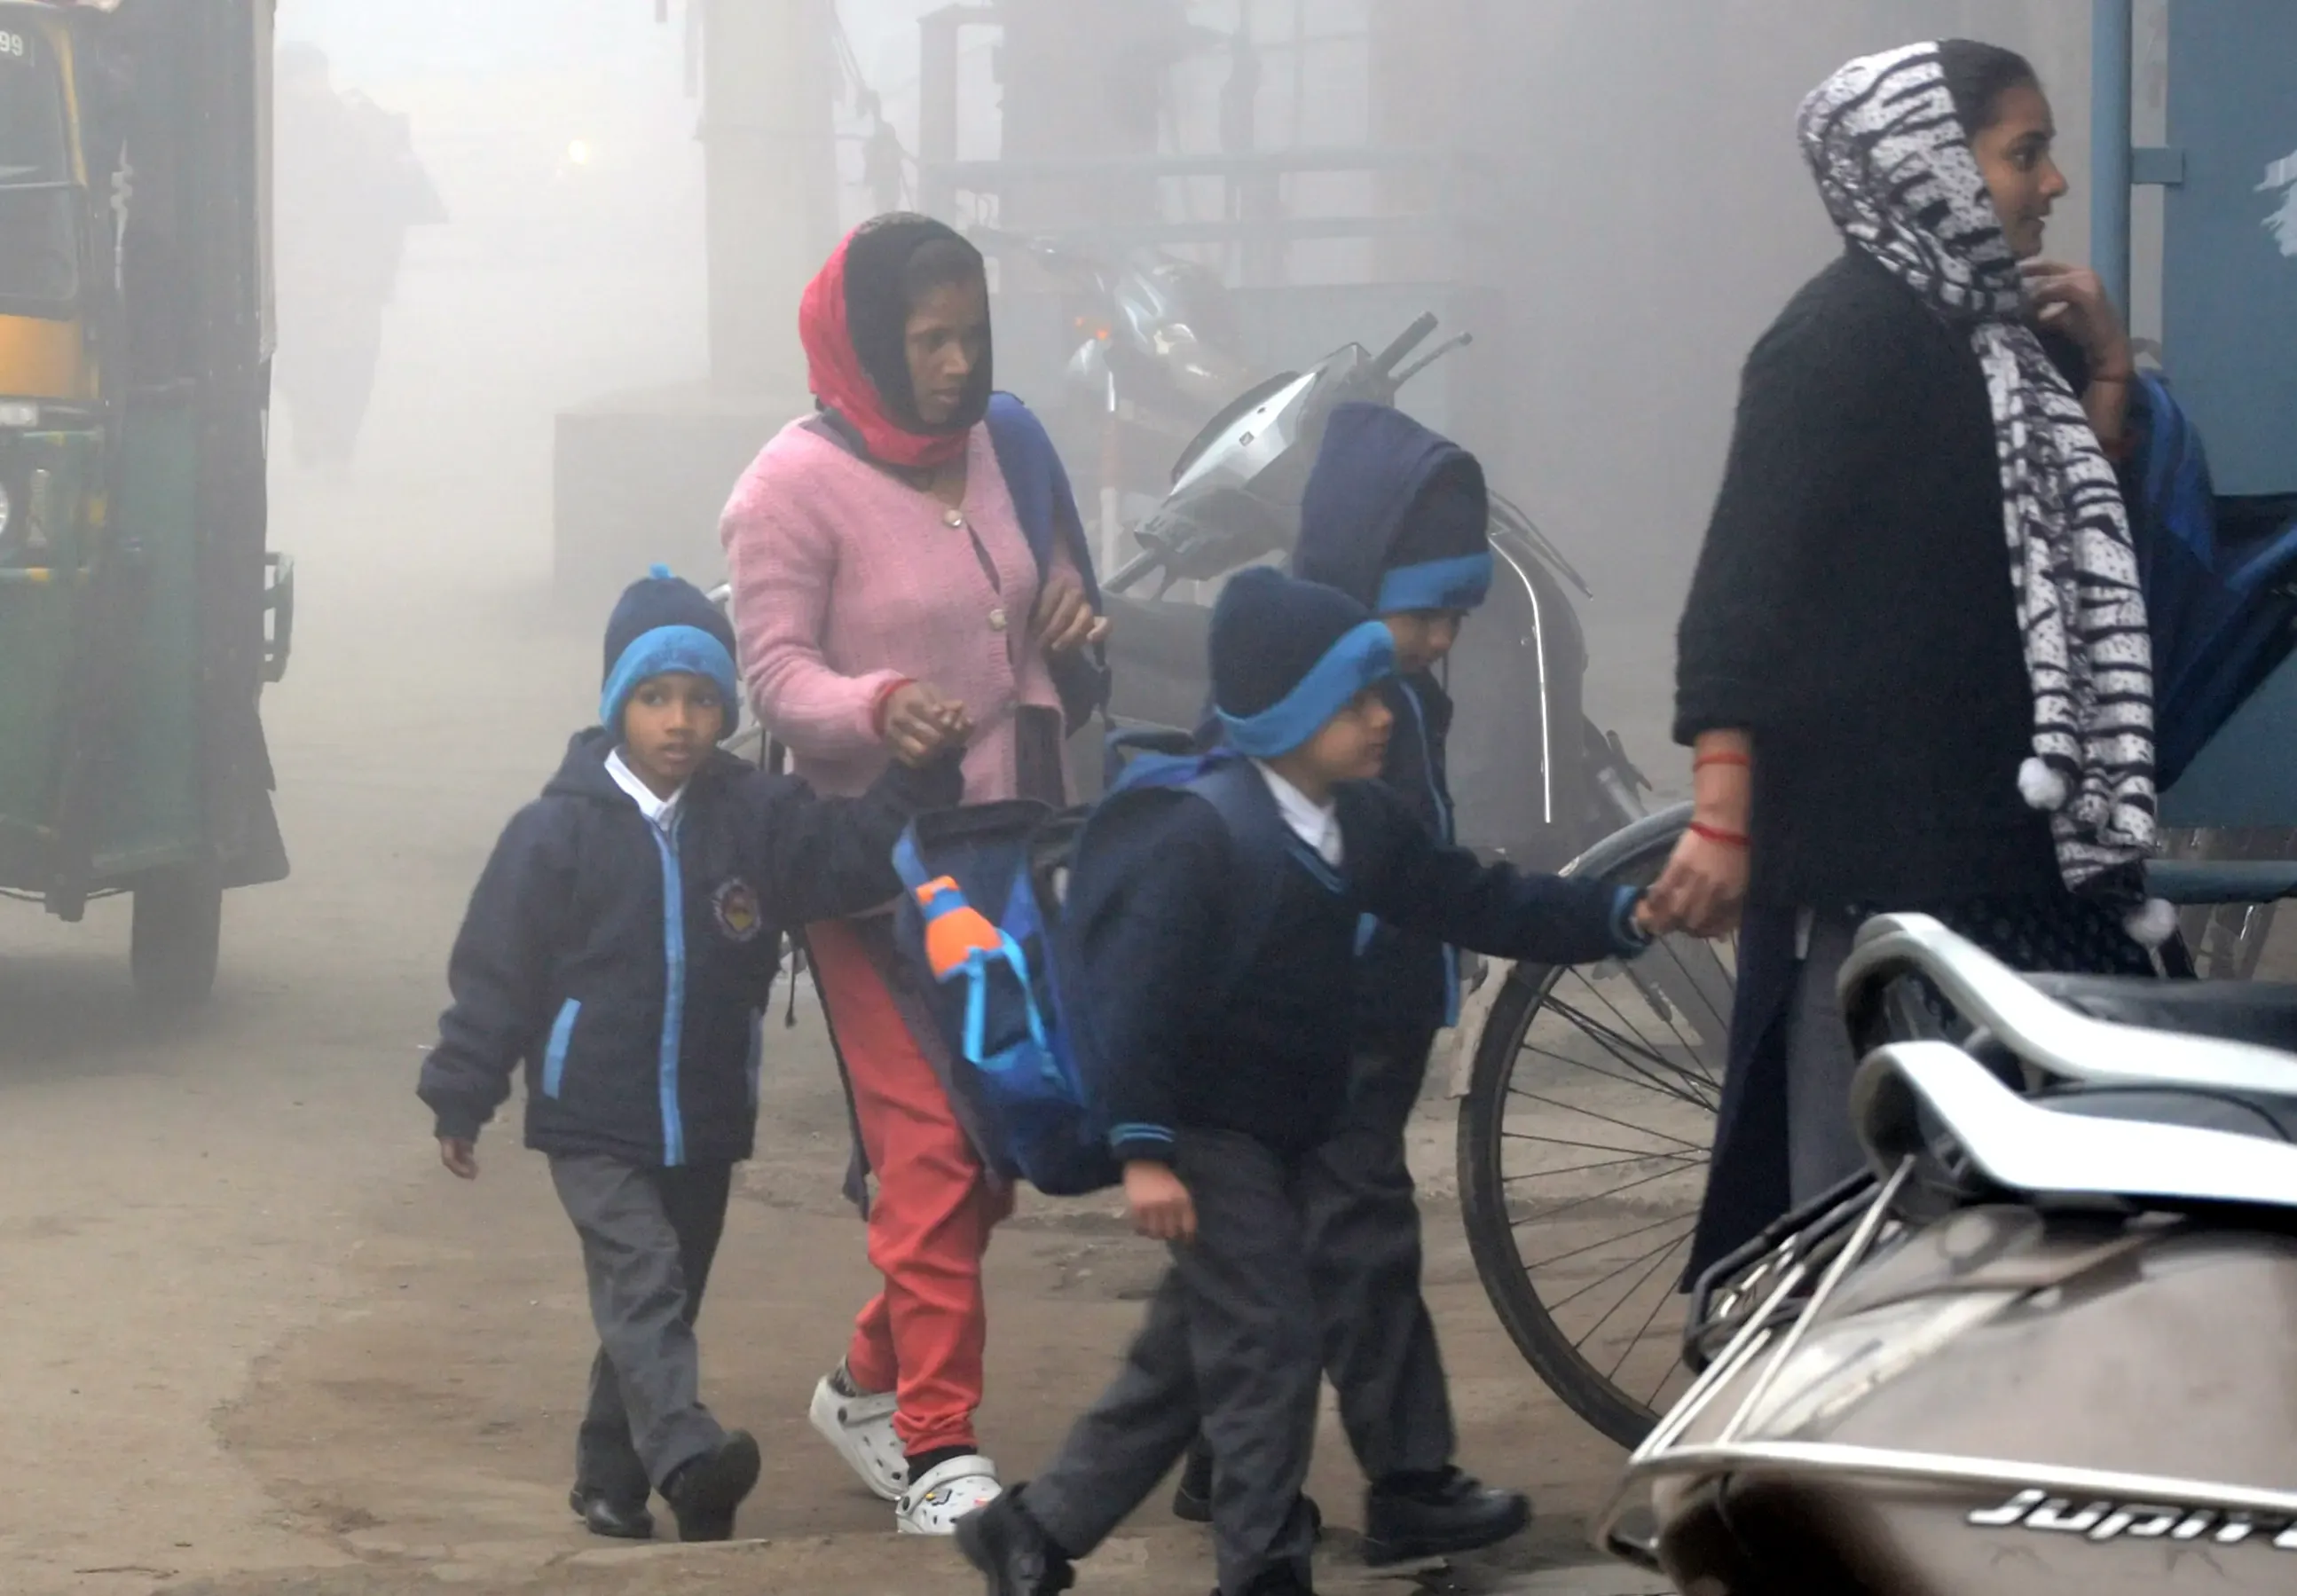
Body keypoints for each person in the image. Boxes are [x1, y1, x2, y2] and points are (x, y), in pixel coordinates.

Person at [956, 567, 1662, 1596]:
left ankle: (1032, 1526)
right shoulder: (1200, 835)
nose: (1386, 717)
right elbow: (1137, 1008)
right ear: (1288, 713)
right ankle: (1262, 1566)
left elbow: (1475, 898)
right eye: (1356, 701)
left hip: (1297, 1128)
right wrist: (1144, 1149)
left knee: (1189, 1355)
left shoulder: (1359, 822)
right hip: (1208, 1137)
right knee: (1269, 1344)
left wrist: (1617, 915)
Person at [1648, 40, 2161, 1277]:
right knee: (1881, 1216)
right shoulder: (1838, 340)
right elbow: (1742, 589)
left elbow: (2071, 558)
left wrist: (2104, 372)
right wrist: (1721, 811)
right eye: (2024, 155)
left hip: (2030, 859)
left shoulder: (2007, 344)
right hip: (1889, 866)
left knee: (2063, 1212)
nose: (2050, 185)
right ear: (1930, 166)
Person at [415, 568, 964, 1544]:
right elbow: (497, 970)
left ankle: (609, 1478)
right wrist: (463, 1089)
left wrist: (920, 772)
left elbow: (854, 856)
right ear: (616, 704)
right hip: (592, 1112)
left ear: (728, 709)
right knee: (644, 1280)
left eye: (703, 698)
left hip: (705, 1114)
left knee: (660, 1297)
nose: (679, 721)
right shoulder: (555, 831)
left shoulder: (758, 815)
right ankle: (689, 1460)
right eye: (655, 696)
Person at [718, 213, 1108, 1533]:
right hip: (874, 876)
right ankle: (940, 1447)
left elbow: (1045, 594)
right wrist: (879, 703)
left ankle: (866, 1382)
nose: (955, 366)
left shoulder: (1011, 443)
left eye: (972, 337)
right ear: (865, 343)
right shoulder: (785, 488)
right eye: (927, 340)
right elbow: (774, 674)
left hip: (1009, 857)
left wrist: (1069, 614)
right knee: (933, 1149)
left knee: (999, 1145)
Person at [1166, 404, 1529, 1562]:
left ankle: (1221, 1460)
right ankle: (1410, 1481)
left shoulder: (1390, 697)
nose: (1441, 638)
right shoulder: (1302, 711)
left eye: (1456, 616)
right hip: (1326, 1031)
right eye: (1424, 612)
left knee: (1258, 1249)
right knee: (1362, 1241)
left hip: (1356, 1022)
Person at [273, 43, 444, 474]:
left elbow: (390, 189)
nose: (311, 86)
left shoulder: (354, 121)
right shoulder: (336, 121)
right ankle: (324, 434)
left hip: (337, 268)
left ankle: (330, 439)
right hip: (321, 269)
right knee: (320, 358)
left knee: (334, 358)